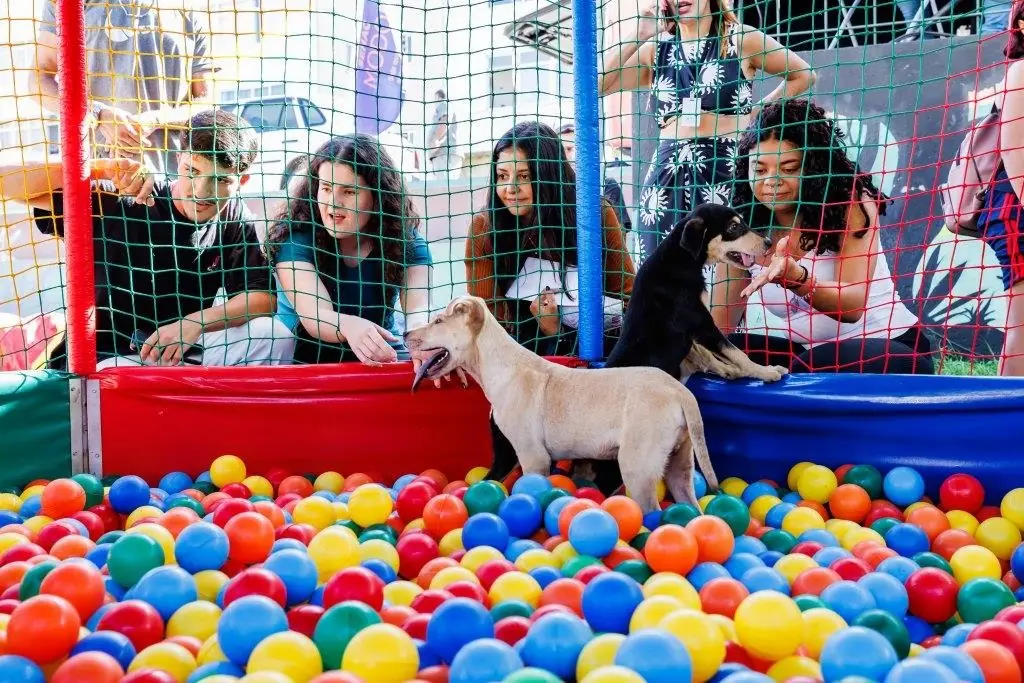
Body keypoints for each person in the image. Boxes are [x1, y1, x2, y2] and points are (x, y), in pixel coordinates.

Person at [0, 109, 294, 370]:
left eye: (220, 180)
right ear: (179, 159)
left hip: (184, 353)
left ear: (241, 181)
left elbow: (262, 299)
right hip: (113, 360)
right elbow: (6, 180)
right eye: (192, 171)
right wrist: (99, 168)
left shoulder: (233, 215)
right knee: (115, 374)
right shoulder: (125, 196)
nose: (201, 191)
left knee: (274, 336)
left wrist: (193, 323)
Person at [714, 99, 934, 374]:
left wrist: (797, 280)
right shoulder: (740, 223)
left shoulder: (847, 203)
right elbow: (720, 321)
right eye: (759, 170)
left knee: (811, 367)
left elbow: (852, 306)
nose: (771, 180)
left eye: (790, 168)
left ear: (814, 166)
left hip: (890, 347)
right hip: (808, 356)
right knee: (720, 352)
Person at [599, 0, 814, 262]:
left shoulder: (742, 38)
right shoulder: (655, 49)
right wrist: (639, 34)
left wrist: (757, 112)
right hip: (666, 176)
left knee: (724, 272)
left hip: (726, 167)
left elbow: (803, 75)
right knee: (661, 272)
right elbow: (595, 86)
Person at [464, 121, 636, 358]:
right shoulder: (484, 228)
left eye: (523, 176)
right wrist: (545, 333)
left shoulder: (593, 214)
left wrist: (559, 331)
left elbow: (628, 298)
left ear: (549, 175)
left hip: (598, 353)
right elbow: (487, 324)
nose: (510, 188)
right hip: (516, 358)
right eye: (502, 176)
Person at [268, 134, 431, 366]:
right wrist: (351, 325)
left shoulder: (404, 239)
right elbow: (316, 315)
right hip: (304, 360)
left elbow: (418, 310)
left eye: (349, 192)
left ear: (377, 197)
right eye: (325, 188)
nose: (333, 203)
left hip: (381, 354)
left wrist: (422, 342)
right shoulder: (295, 238)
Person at [30, 0, 218, 175]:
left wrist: (155, 119)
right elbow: (38, 81)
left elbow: (207, 105)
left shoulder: (188, 7)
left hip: (175, 180)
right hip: (101, 175)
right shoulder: (67, 3)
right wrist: (98, 113)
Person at [978, 0, 1024, 375]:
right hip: (1014, 208)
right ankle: (1007, 417)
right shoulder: (1021, 72)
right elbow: (1015, 155)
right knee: (1022, 323)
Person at [558, 123, 632, 234]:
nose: (574, 155)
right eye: (567, 150)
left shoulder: (606, 185)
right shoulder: (552, 188)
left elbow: (619, 237)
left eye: (578, 149)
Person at [426, 88, 462, 179]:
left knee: (445, 187)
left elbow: (444, 121)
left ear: (437, 97)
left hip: (445, 154)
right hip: (444, 154)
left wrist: (435, 140)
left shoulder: (443, 104)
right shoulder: (447, 106)